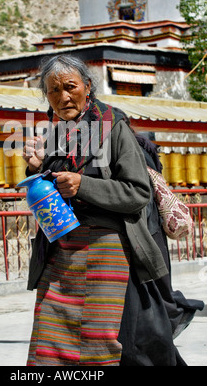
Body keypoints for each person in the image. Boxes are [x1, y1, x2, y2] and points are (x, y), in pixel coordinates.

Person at [23, 54, 169, 367]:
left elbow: (137, 192)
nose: (63, 97)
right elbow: (58, 183)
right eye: (53, 90)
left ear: (88, 86)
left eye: (70, 87)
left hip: (106, 250)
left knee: (97, 344)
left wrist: (83, 186)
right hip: (61, 250)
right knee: (49, 343)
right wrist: (38, 166)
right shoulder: (57, 132)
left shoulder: (113, 126)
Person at [114, 111, 204, 366]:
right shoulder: (144, 148)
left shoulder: (130, 152)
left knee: (150, 307)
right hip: (153, 234)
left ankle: (175, 315)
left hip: (143, 236)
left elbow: (134, 196)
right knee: (155, 298)